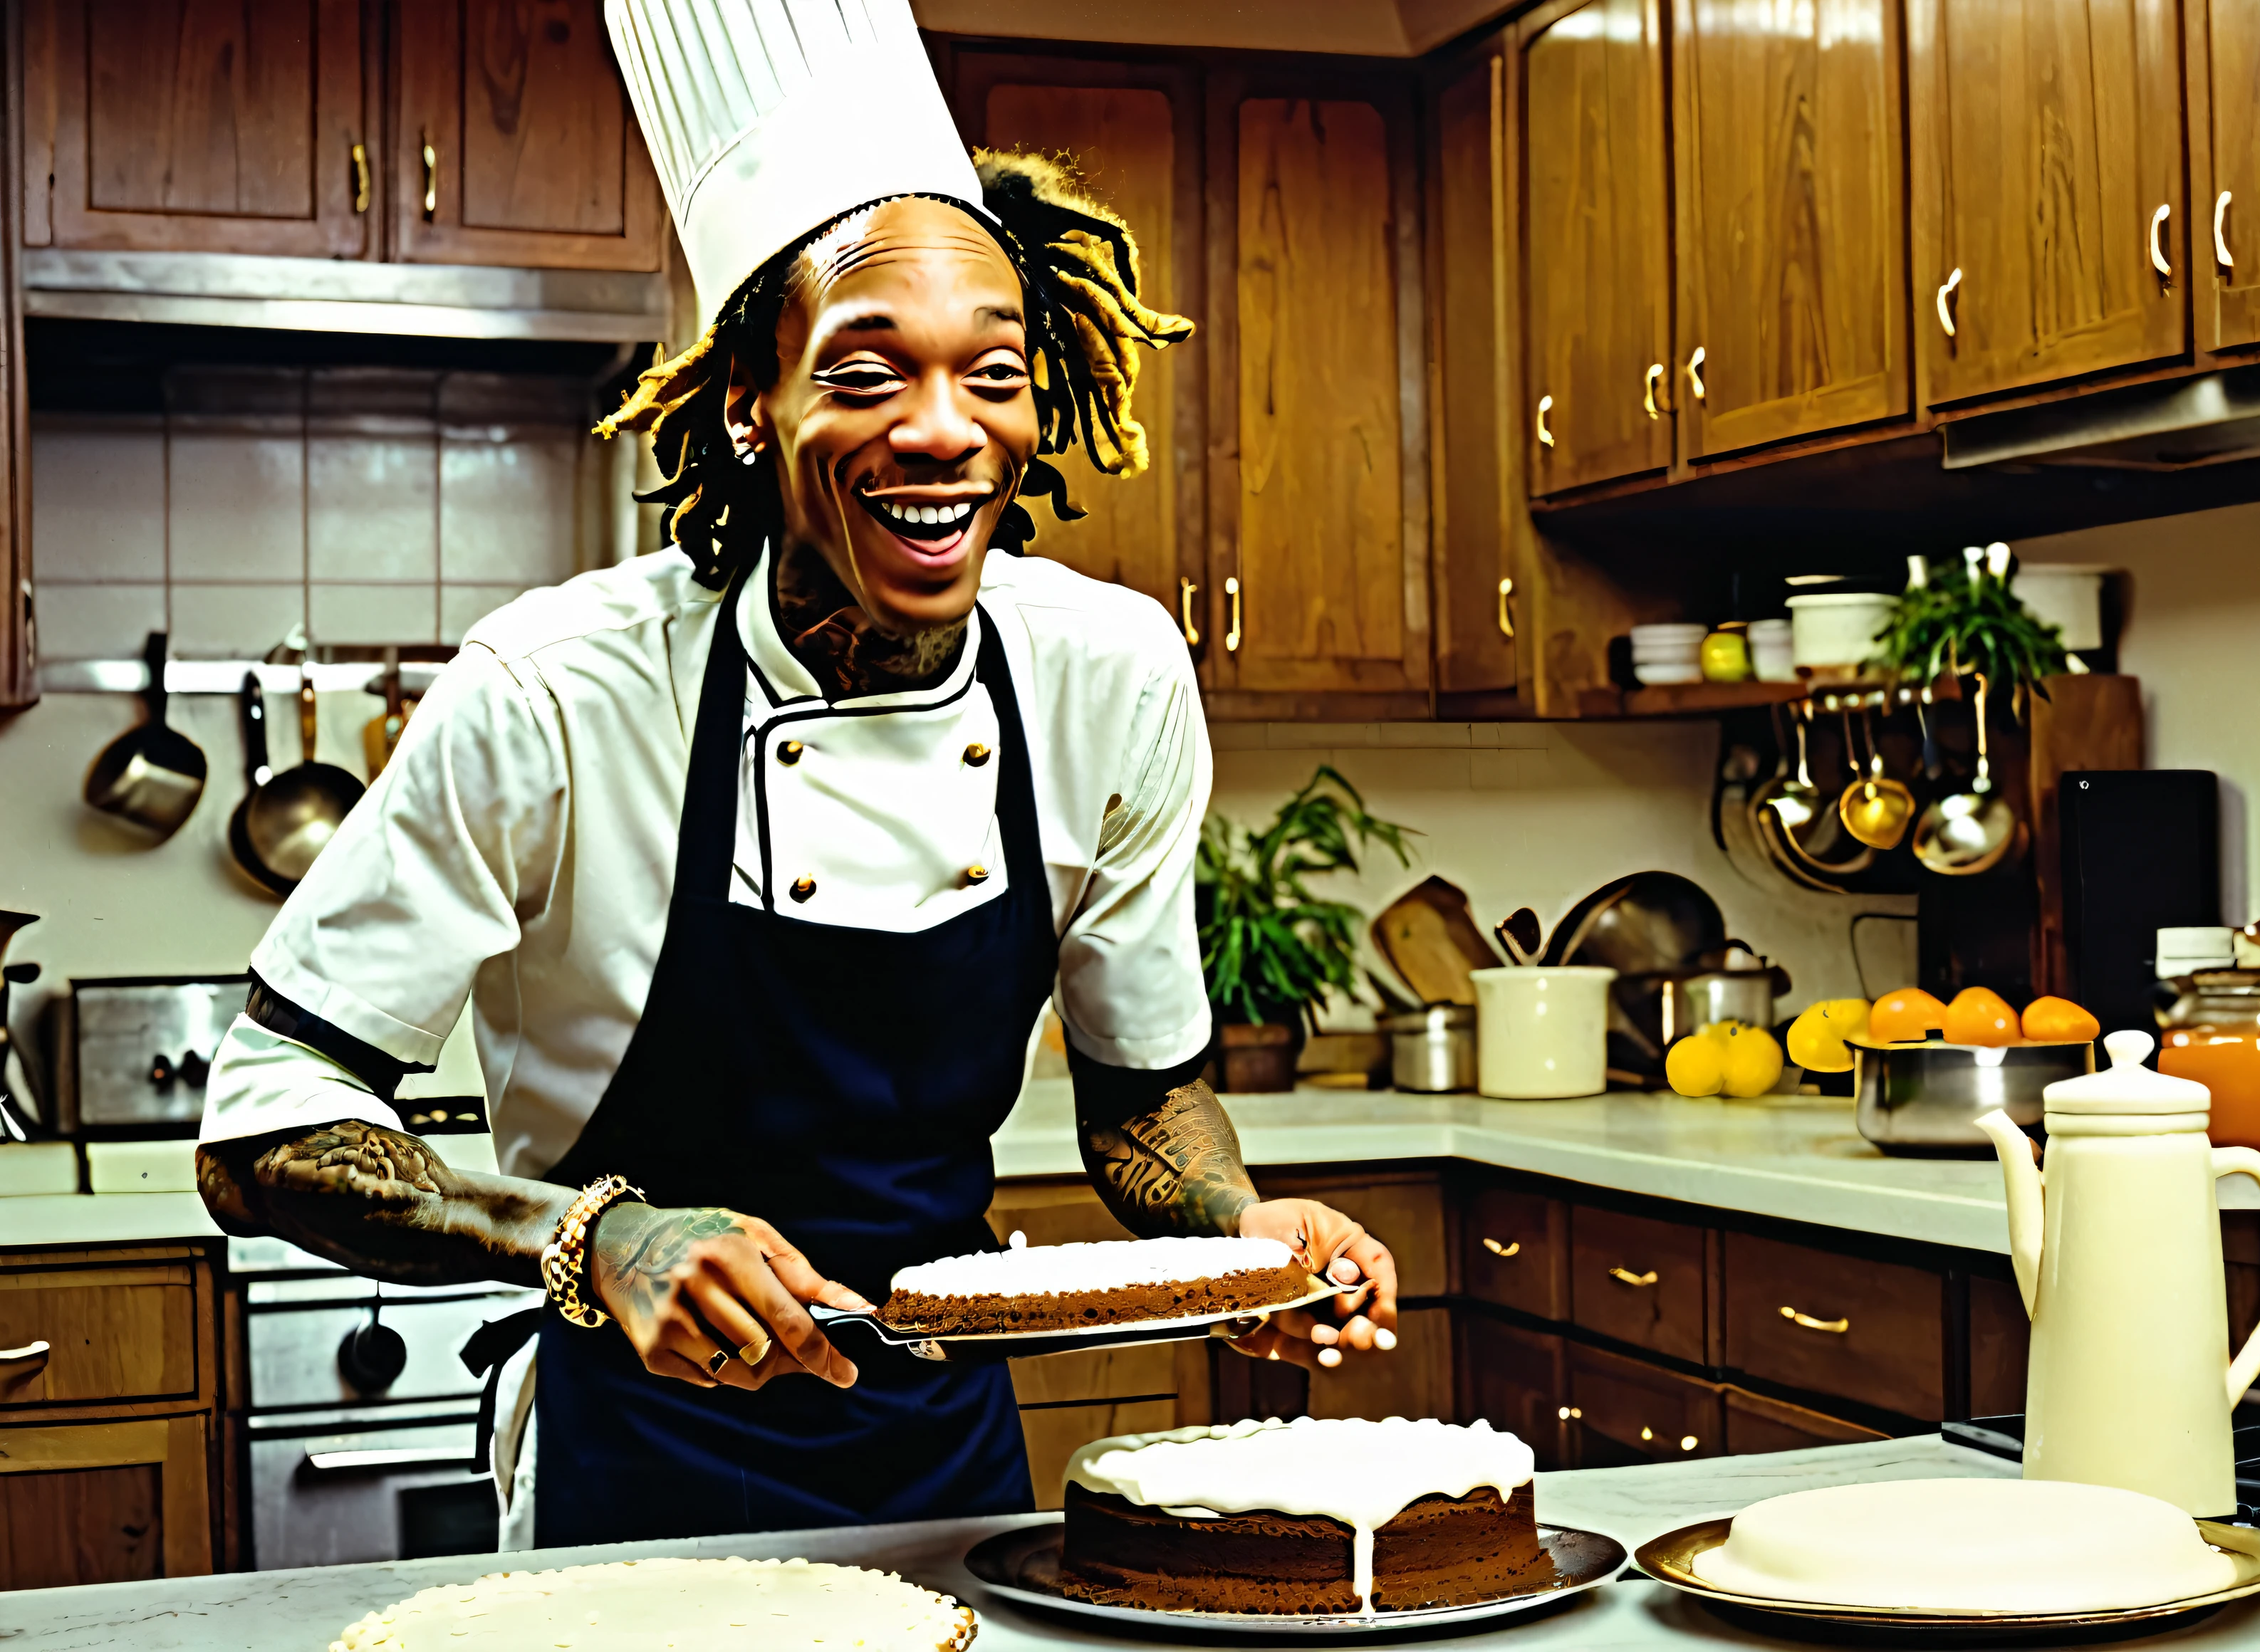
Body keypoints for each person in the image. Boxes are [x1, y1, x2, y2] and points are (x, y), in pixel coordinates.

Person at [196, 0, 1397, 1549]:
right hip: (640, 1451)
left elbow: (1146, 1095)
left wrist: (1242, 1233)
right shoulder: (559, 690)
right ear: (751, 407)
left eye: (995, 371)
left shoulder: (1109, 673)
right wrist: (591, 1232)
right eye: (866, 371)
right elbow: (261, 1122)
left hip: (951, 1441)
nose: (945, 428)